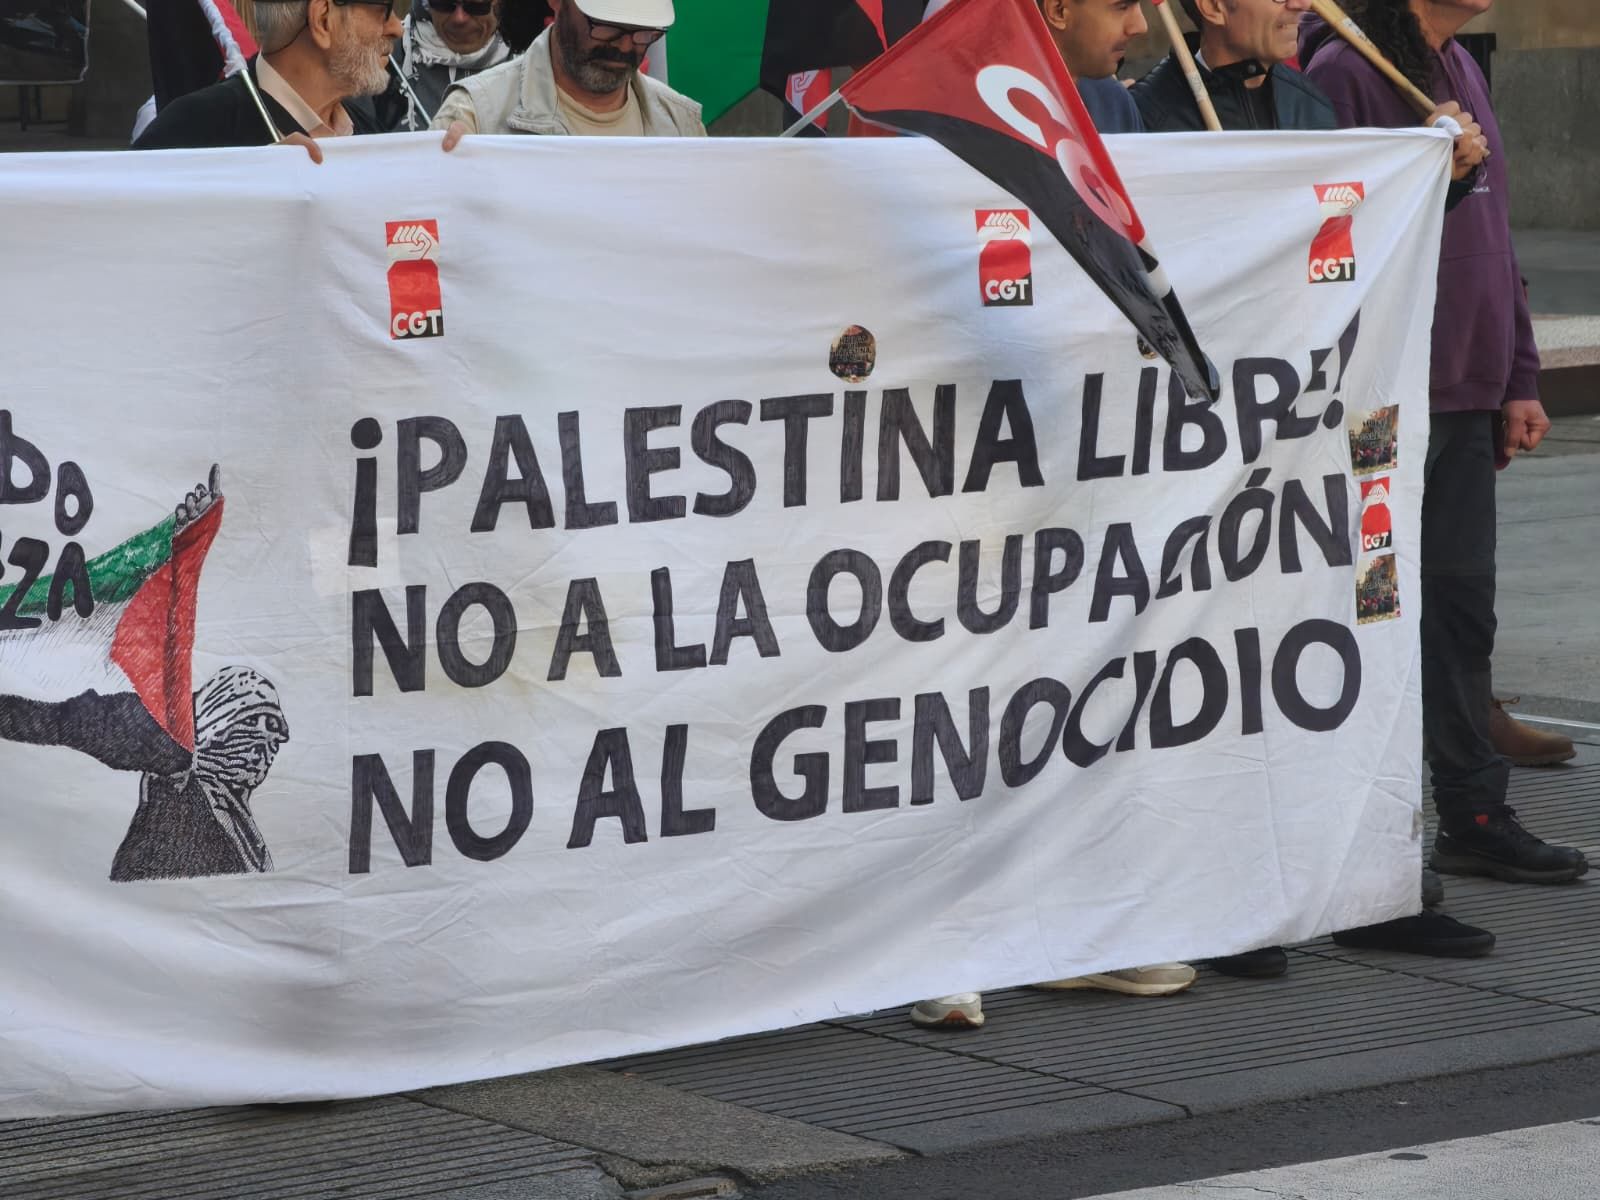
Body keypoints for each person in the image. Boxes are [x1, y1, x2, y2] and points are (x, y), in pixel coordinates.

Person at [1302, 3, 1588, 896]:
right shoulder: (1346, 72)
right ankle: (1369, 836)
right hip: (1386, 401)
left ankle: (1473, 814)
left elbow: (1495, 240)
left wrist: (1519, 370)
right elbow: (1333, 234)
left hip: (1463, 395)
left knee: (1462, 611)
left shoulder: (1455, 61)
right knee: (1375, 618)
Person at [133, 0, 402, 157]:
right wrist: (252, 183)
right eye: (384, 10)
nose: (397, 28)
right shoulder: (191, 128)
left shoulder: (366, 128)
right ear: (322, 20)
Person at [431, 0, 703, 142]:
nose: (624, 46)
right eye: (606, 27)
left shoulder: (681, 125)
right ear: (557, 2)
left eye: (643, 33)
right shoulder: (476, 115)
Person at [355, 0, 512, 132]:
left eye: (476, 6)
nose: (459, 18)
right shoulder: (379, 57)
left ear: (500, 5)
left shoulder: (525, 65)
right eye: (444, 5)